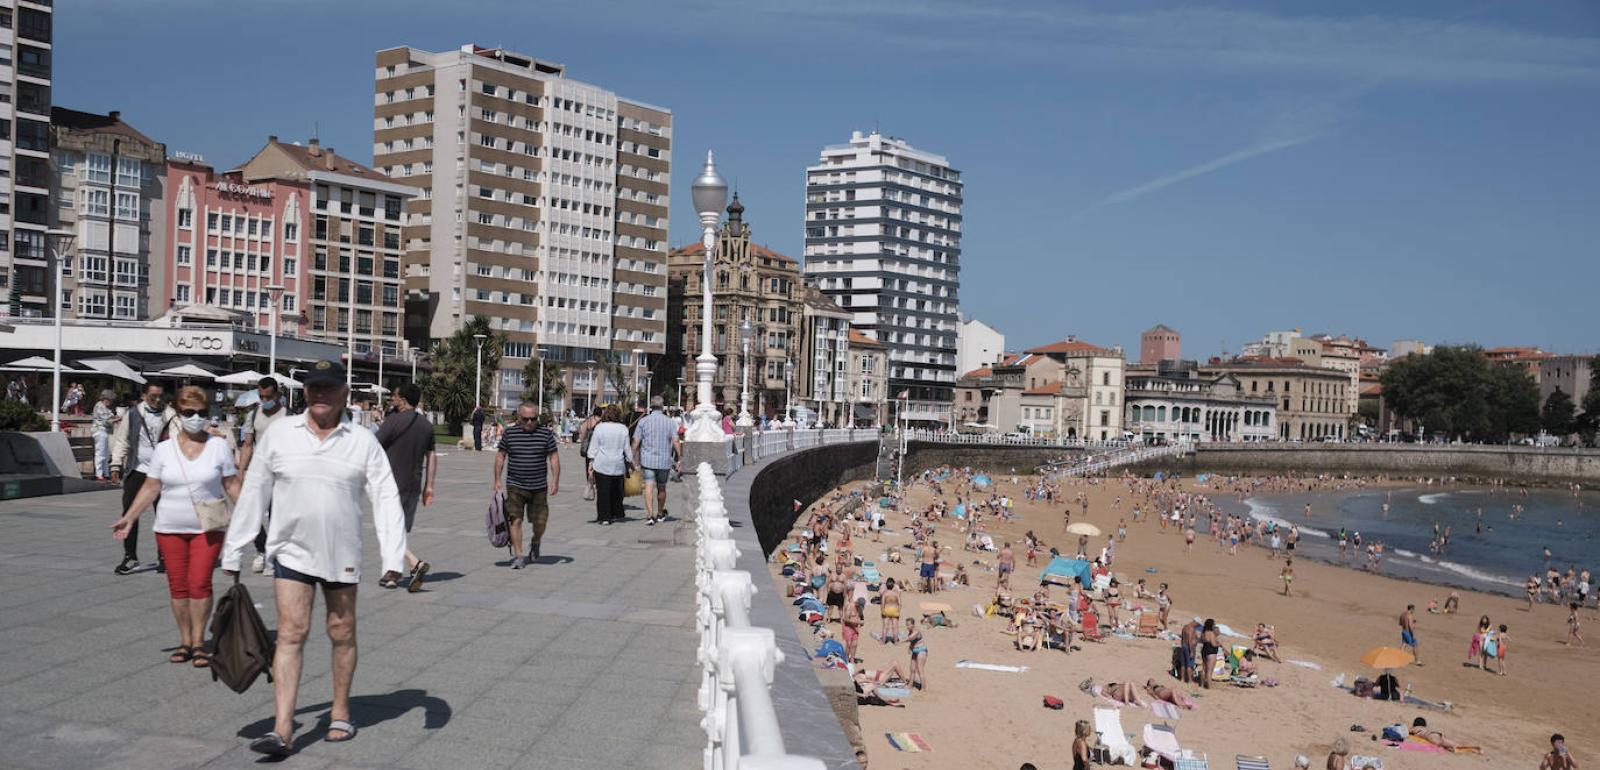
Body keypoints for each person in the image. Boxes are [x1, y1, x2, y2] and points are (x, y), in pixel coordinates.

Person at [221, 359, 408, 757]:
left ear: (343, 394)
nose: (320, 394)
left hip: (341, 553)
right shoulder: (280, 435)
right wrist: (234, 548)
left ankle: (340, 710)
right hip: (291, 551)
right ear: (305, 393)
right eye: (314, 388)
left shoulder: (361, 440)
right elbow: (255, 490)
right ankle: (282, 728)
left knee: (341, 632)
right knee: (290, 632)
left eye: (329, 388)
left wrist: (393, 554)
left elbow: (385, 495)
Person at [109, 386, 240, 667]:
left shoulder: (218, 446)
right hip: (169, 526)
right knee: (178, 586)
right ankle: (184, 641)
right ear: (178, 415)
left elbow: (232, 485)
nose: (196, 417)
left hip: (208, 528)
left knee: (200, 582)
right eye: (189, 412)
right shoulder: (164, 449)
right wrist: (130, 517)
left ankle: (198, 642)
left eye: (202, 413)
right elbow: (151, 486)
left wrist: (250, 517)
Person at [110, 383, 178, 575]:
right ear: (143, 395)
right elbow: (122, 440)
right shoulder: (132, 414)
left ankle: (164, 556)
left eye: (161, 396)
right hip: (137, 470)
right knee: (130, 513)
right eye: (153, 396)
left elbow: (177, 441)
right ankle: (130, 556)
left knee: (164, 516)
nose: (157, 400)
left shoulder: (171, 415)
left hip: (162, 474)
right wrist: (116, 464)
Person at [375, 383, 437, 592]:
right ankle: (393, 574)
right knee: (397, 528)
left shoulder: (393, 422)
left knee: (389, 528)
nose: (392, 399)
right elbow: (432, 455)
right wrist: (429, 485)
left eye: (394, 395)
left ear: (402, 400)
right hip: (414, 483)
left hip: (391, 483)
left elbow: (374, 447)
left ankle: (412, 564)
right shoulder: (426, 426)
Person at [494, 402, 560, 567]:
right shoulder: (510, 434)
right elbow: (501, 456)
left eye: (533, 419)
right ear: (519, 417)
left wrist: (555, 480)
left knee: (540, 522)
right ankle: (518, 556)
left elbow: (553, 457)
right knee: (515, 520)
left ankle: (536, 541)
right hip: (515, 485)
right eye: (526, 419)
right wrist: (497, 479)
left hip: (538, 486)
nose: (530, 422)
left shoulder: (545, 434)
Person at [238, 377, 291, 574]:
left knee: (277, 515)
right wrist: (242, 472)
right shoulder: (253, 415)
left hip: (281, 473)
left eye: (268, 396)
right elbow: (247, 444)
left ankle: (272, 555)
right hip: (259, 471)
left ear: (277, 395)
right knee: (251, 513)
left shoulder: (288, 416)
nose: (264, 400)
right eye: (261, 396)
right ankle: (261, 549)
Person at [632, 395, 680, 526]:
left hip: (647, 460)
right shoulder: (670, 422)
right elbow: (676, 441)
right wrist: (680, 457)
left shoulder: (644, 421)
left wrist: (631, 456)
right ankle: (660, 513)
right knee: (662, 487)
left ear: (651, 406)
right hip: (664, 460)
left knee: (648, 485)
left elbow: (636, 441)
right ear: (662, 406)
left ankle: (650, 515)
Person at [586, 404, 629, 524]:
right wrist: (631, 460)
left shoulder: (600, 428)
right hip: (617, 464)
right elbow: (627, 448)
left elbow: (594, 446)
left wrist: (591, 461)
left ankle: (604, 516)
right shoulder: (623, 428)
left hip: (602, 463)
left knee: (603, 491)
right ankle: (616, 513)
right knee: (616, 491)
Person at [90, 389, 118, 481]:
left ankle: (105, 473)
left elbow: (110, 416)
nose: (111, 402)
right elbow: (106, 420)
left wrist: (115, 417)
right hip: (99, 431)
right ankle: (99, 473)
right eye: (110, 400)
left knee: (106, 453)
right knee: (100, 453)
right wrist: (115, 419)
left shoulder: (105, 407)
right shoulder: (99, 406)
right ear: (106, 399)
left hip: (104, 432)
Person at [577, 406, 602, 500]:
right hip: (599, 449)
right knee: (598, 468)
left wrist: (584, 442)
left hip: (589, 449)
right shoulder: (602, 422)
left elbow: (582, 433)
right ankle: (596, 486)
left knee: (589, 467)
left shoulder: (587, 421)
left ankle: (590, 485)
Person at [905, 617, 928, 691]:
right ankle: (910, 685)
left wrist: (901, 641)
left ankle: (923, 688)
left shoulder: (916, 631)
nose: (907, 626)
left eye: (909, 625)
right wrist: (910, 648)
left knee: (920, 669)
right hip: (915, 651)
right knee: (912, 669)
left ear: (913, 624)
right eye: (906, 625)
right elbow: (912, 642)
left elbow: (911, 638)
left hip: (921, 650)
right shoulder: (910, 631)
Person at [880, 577, 902, 644]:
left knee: (885, 627)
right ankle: (895, 642)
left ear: (886, 585)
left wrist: (882, 611)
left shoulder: (885, 594)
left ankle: (883, 641)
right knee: (895, 627)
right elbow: (900, 603)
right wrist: (898, 611)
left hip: (887, 609)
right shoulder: (896, 593)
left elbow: (882, 603)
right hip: (894, 609)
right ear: (893, 585)